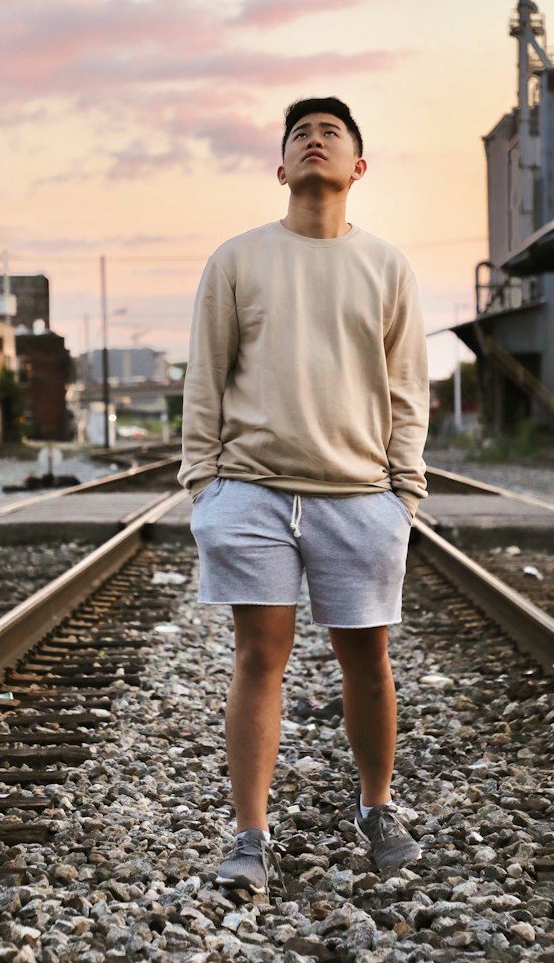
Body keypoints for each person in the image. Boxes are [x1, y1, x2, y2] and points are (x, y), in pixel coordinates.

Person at [179, 96, 429, 892]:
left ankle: (377, 808)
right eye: (300, 136)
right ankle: (250, 835)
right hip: (251, 491)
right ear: (280, 169)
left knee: (368, 659)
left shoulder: (387, 266)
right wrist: (203, 487)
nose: (314, 142)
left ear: (358, 168)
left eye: (331, 135)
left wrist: (404, 493)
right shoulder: (238, 259)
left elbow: (407, 388)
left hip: (358, 494)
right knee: (259, 658)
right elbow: (205, 379)